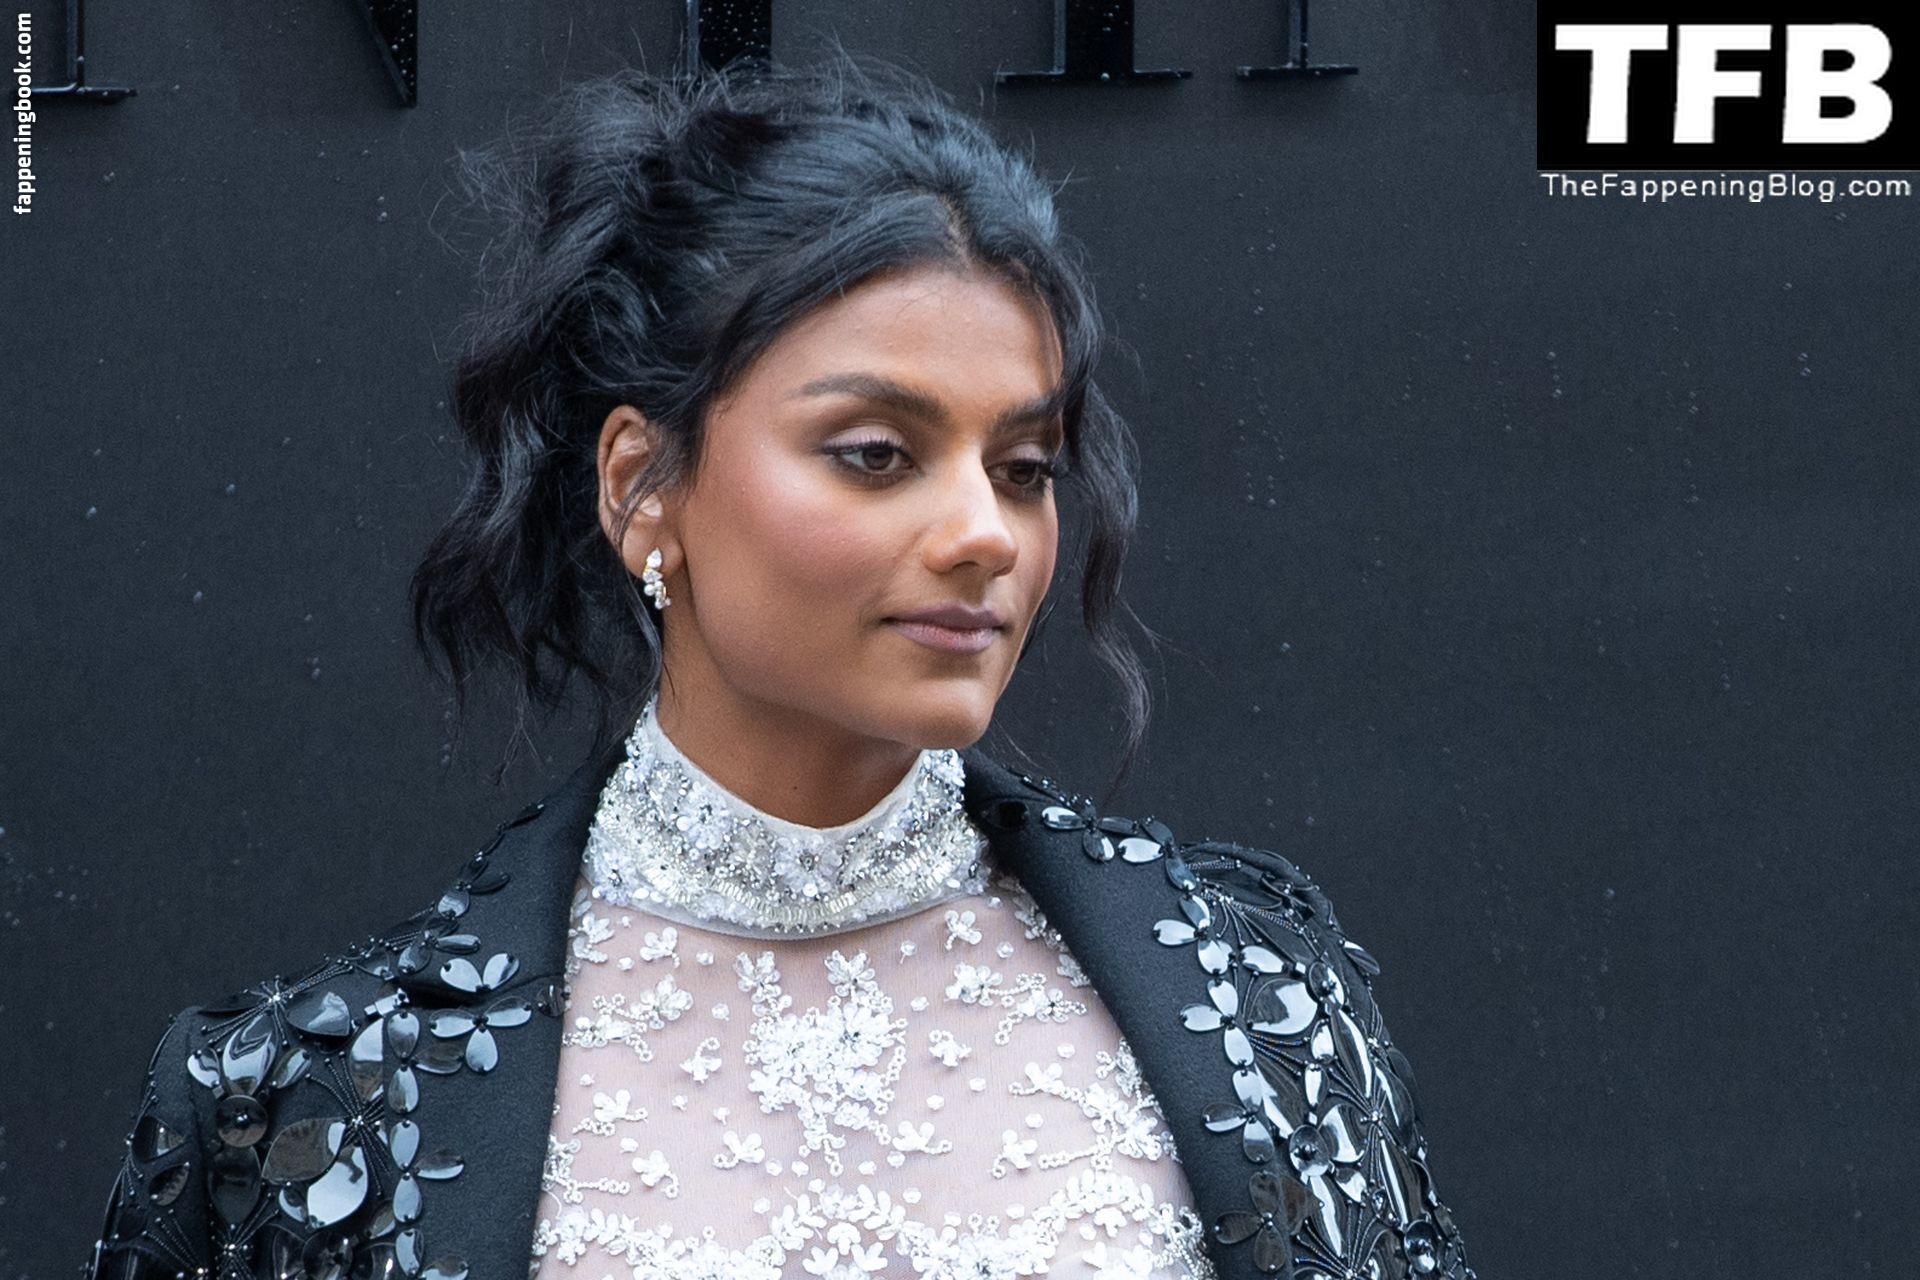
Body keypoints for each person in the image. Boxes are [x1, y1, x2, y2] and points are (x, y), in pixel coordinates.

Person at [84, 52, 1474, 1280]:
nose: (985, 535)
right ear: (641, 486)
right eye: (876, 454)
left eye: (1024, 466)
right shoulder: (305, 1101)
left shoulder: (1264, 998)